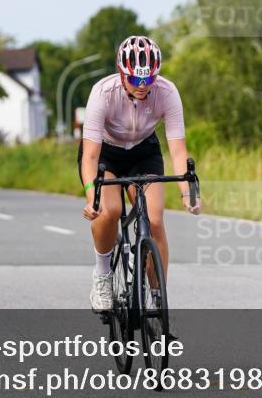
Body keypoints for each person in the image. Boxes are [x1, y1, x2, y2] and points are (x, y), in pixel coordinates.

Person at [79, 35, 201, 312]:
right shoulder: (102, 92)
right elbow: (89, 155)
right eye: (136, 80)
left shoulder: (167, 92)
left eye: (149, 80)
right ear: (122, 73)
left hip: (144, 151)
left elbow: (178, 151)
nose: (143, 86)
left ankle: (158, 296)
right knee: (108, 211)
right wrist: (91, 198)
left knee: (155, 220)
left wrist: (187, 193)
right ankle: (103, 276)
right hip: (106, 154)